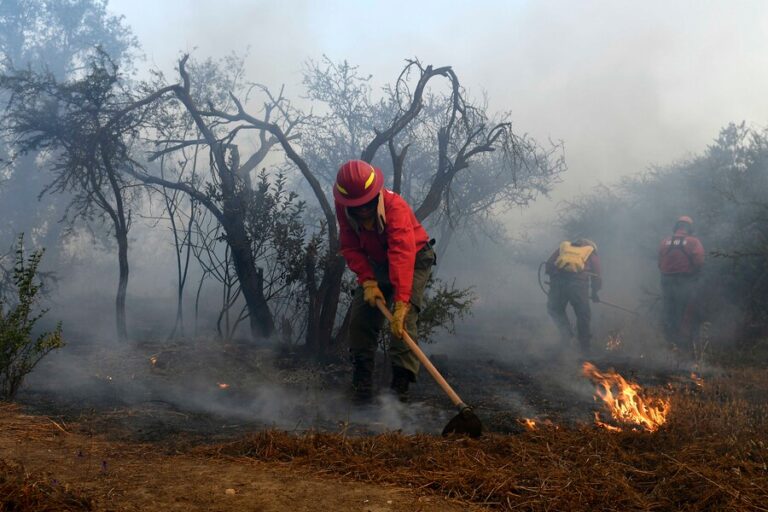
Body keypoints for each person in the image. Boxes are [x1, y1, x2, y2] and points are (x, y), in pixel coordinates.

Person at [334, 160, 436, 403]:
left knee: (404, 323)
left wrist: (401, 303)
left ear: (375, 193)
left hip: (414, 258)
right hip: (377, 261)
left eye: (367, 204)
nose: (362, 211)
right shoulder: (343, 206)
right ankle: (361, 387)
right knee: (360, 319)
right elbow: (349, 245)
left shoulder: (395, 207)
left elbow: (402, 254)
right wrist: (368, 281)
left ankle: (399, 392)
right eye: (357, 207)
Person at [658, 216, 705, 357]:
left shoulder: (665, 241)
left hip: (666, 280)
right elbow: (699, 261)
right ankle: (684, 346)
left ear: (676, 227)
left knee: (669, 312)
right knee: (686, 313)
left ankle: (668, 343)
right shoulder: (693, 241)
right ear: (690, 228)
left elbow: (659, 262)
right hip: (685, 280)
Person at [545, 238, 602, 354]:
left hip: (558, 284)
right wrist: (594, 292)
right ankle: (585, 348)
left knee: (555, 309)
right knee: (583, 315)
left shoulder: (564, 248)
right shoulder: (590, 252)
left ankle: (566, 337)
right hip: (578, 286)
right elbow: (597, 275)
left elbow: (549, 265)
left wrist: (554, 280)